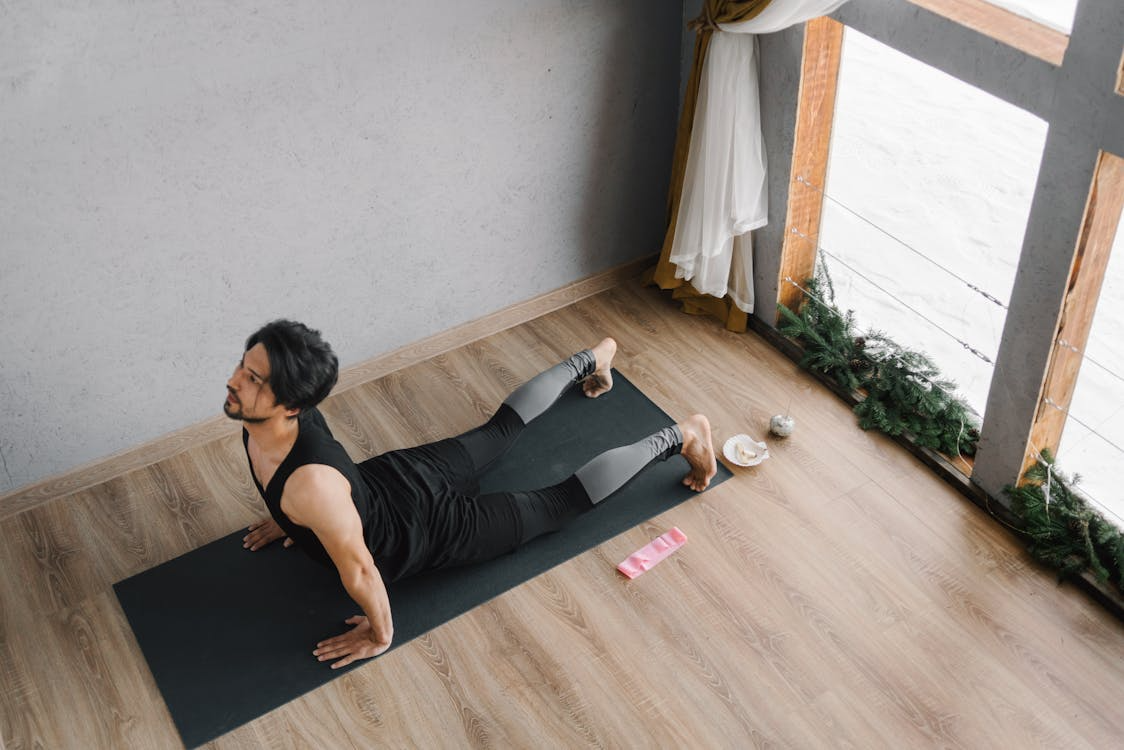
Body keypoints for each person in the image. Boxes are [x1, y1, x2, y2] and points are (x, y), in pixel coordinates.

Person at [226, 320, 717, 669]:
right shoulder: (264, 422)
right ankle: (595, 358)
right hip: (397, 478)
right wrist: (292, 517)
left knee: (559, 503)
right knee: (500, 430)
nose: (234, 381)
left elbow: (360, 570)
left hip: (426, 531)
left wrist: (380, 634)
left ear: (291, 404)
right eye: (243, 367)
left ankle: (681, 436)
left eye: (252, 379)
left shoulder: (311, 486)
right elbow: (312, 490)